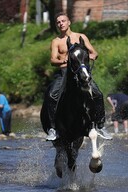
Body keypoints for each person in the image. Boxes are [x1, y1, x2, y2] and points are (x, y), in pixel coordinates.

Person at [45, 12, 111, 141]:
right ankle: (52, 129)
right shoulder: (56, 41)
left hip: (81, 72)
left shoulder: (81, 37)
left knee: (98, 94)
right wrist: (65, 61)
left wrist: (88, 57)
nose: (61, 24)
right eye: (58, 22)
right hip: (64, 73)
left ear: (69, 22)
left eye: (63, 21)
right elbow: (53, 60)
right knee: (52, 94)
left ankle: (101, 126)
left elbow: (94, 53)